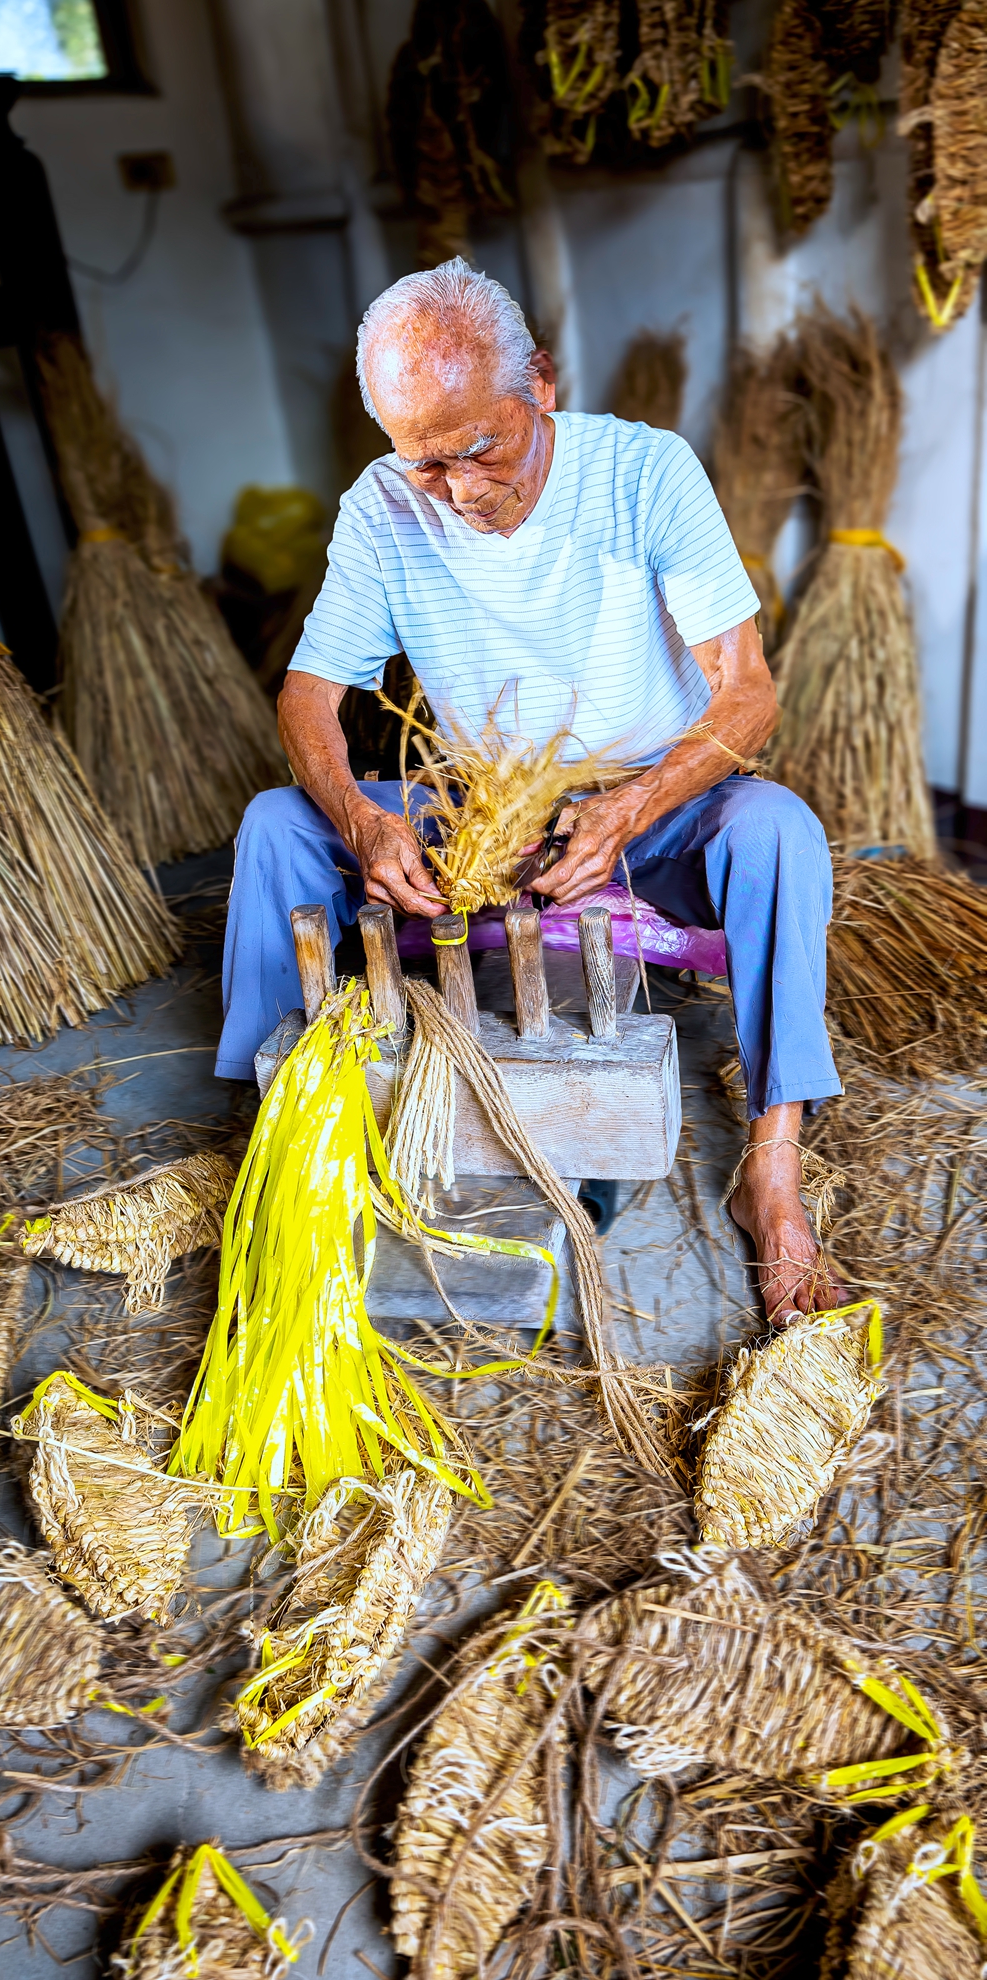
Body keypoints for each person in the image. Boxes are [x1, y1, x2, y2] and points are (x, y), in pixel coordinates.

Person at [216, 257, 845, 1326]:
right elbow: (308, 696)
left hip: (649, 808)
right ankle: (271, 1139)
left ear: (540, 382)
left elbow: (747, 696)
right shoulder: (379, 508)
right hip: (481, 814)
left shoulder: (645, 472)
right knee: (278, 825)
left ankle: (772, 1177)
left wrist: (630, 809)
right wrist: (365, 823)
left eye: (480, 449)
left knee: (777, 830)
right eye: (425, 462)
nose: (461, 489)